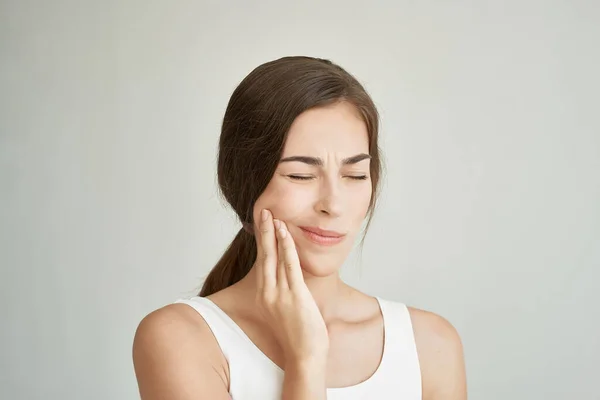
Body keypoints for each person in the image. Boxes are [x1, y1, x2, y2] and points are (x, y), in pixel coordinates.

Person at [132, 56, 467, 399]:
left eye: (355, 176)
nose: (333, 205)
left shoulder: (430, 345)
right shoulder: (181, 338)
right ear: (244, 184)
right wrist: (305, 359)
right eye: (300, 176)